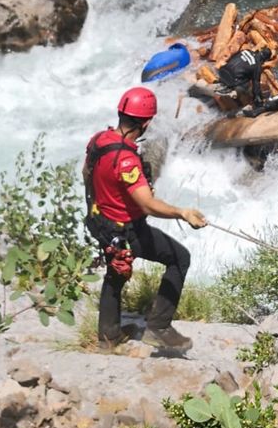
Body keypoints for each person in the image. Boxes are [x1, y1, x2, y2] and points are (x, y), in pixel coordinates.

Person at [83, 86, 207, 352]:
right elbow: (148, 205)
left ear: (121, 113)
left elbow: (86, 173)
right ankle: (159, 327)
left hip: (103, 224)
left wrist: (106, 201)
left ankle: (109, 336)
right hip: (129, 231)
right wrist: (183, 213)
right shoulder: (126, 160)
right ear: (147, 122)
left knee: (114, 275)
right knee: (179, 258)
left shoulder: (98, 140)